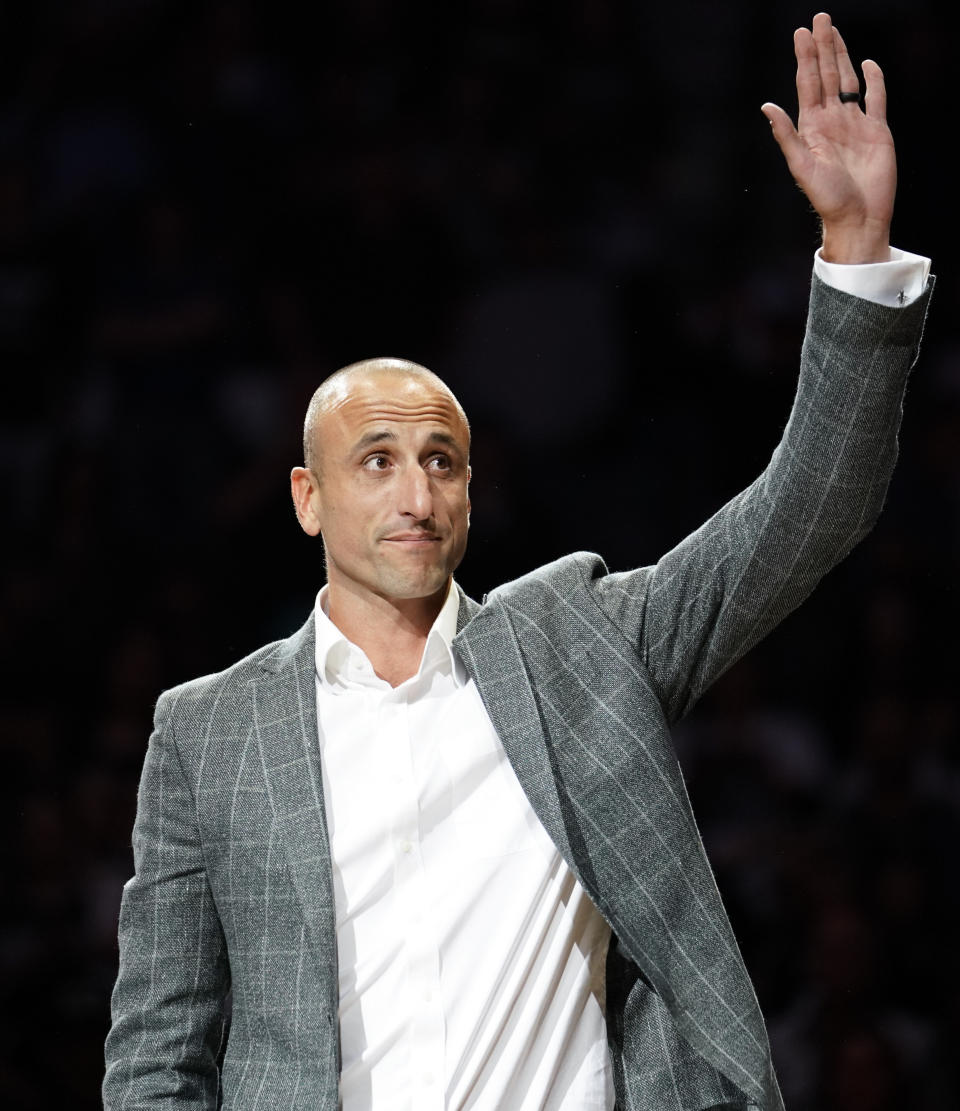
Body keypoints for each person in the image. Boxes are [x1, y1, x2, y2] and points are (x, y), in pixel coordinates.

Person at [103, 13, 933, 1111]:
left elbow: (808, 512)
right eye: (379, 460)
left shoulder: (580, 644)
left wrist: (857, 253)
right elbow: (158, 1053)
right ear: (306, 499)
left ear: (471, 491)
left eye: (443, 460)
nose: (417, 492)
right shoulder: (207, 731)